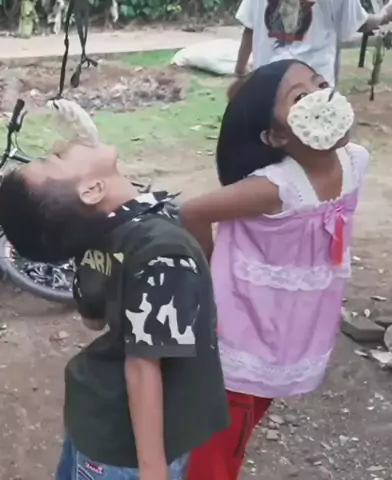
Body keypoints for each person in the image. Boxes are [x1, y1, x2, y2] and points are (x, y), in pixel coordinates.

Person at [0, 142, 230, 479]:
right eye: (55, 158)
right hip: (128, 445)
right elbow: (143, 365)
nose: (61, 146)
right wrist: (153, 469)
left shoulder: (100, 234)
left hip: (97, 417)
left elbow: (92, 319)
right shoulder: (164, 250)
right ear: (92, 190)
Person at [180, 59, 367, 480]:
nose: (322, 97)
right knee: (219, 441)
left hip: (289, 328)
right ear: (275, 136)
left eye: (321, 83)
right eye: (300, 97)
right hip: (241, 329)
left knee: (245, 420)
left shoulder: (356, 162)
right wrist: (209, 274)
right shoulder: (274, 186)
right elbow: (191, 212)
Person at [230, 0, 392, 97]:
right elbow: (359, 23)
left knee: (269, 138)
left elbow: (250, 27)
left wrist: (240, 71)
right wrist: (384, 16)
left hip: (266, 84)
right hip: (313, 87)